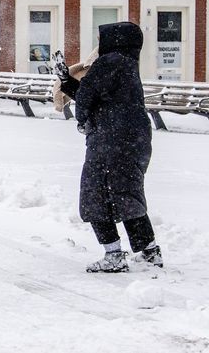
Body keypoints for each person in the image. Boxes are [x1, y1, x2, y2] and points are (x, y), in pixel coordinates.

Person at [53, 22, 163, 273]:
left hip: (110, 140)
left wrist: (82, 120)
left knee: (95, 194)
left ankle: (113, 254)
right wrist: (66, 80)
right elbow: (95, 93)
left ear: (115, 40)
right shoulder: (126, 64)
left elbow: (87, 96)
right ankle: (150, 251)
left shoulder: (109, 62)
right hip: (133, 140)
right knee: (126, 194)